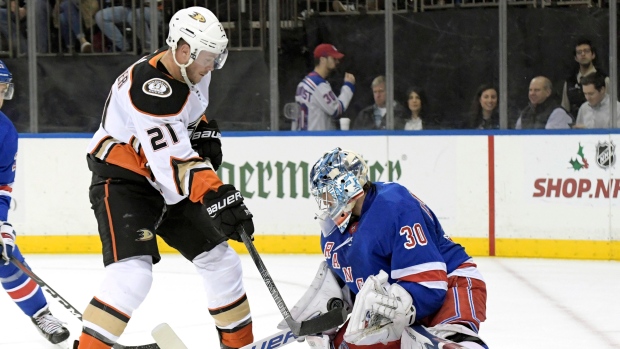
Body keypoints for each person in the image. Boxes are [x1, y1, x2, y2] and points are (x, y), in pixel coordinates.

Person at [77, 7, 255, 349]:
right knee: (132, 275)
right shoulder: (151, 92)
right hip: (124, 180)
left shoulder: (193, 69)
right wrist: (216, 195)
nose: (213, 66)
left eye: (218, 58)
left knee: (222, 263)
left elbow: (188, 118)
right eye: (208, 58)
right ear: (183, 50)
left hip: (162, 180)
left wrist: (203, 132)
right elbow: (174, 165)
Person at [278, 147, 488, 349]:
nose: (325, 202)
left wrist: (395, 307)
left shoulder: (393, 205)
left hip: (452, 281)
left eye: (328, 194)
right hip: (401, 301)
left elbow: (430, 284)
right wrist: (332, 303)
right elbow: (360, 281)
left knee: (454, 340)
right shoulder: (335, 234)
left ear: (347, 186)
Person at [0, 60, 71, 345]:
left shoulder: (5, 133)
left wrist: (2, 223)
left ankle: (41, 313)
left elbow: (2, 186)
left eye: (3, 90)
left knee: (7, 258)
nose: (0, 97)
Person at [294, 43, 355, 130]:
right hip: (317, 139)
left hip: (303, 137)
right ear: (322, 60)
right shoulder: (318, 84)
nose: (337, 62)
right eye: (333, 58)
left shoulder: (302, 84)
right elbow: (337, 110)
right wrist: (348, 86)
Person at [561, 38, 610, 118]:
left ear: (593, 55)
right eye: (579, 52)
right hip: (574, 127)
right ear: (576, 58)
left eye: (586, 51)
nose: (583, 54)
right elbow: (564, 110)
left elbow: (611, 107)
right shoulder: (570, 82)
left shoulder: (604, 79)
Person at [95, 0, 160, 53]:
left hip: (152, 8)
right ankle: (124, 47)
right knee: (101, 16)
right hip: (129, 7)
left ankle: (149, 48)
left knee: (133, 16)